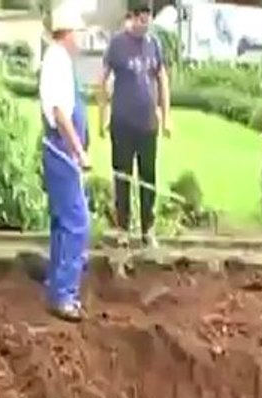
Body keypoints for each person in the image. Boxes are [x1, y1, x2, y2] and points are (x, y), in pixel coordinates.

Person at [98, 0, 171, 248]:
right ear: (132, 17)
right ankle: (122, 229)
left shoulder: (153, 44)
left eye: (149, 18)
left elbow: (162, 79)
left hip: (148, 125)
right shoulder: (118, 43)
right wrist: (102, 115)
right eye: (142, 18)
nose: (146, 22)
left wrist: (166, 116)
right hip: (122, 123)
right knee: (122, 177)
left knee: (148, 178)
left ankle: (147, 229)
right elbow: (102, 80)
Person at [40, 4, 90, 322]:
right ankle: (64, 294)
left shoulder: (56, 59)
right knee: (77, 222)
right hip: (61, 149)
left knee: (62, 221)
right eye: (81, 33)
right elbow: (60, 112)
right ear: (69, 33)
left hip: (58, 149)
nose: (82, 39)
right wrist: (78, 151)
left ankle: (55, 282)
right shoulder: (58, 60)